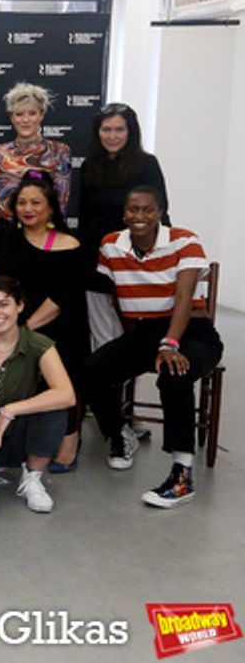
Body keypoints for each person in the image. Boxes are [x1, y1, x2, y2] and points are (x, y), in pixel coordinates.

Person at [81, 186, 222, 508]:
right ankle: (120, 434)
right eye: (133, 209)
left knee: (174, 374)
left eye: (148, 209)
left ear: (160, 212)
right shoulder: (111, 245)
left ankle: (182, 475)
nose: (140, 216)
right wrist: (132, 336)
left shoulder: (184, 241)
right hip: (146, 332)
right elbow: (115, 295)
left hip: (193, 332)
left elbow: (184, 298)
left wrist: (170, 344)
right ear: (124, 213)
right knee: (90, 370)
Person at [0, 173, 86, 471]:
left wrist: (22, 331)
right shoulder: (2, 237)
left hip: (52, 324)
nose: (28, 208)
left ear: (51, 207)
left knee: (63, 364)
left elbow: (60, 298)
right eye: (22, 202)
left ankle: (70, 438)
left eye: (36, 202)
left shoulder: (68, 243)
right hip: (3, 320)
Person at [0, 277, 75, 513]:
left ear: (19, 305)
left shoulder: (39, 344)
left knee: (55, 406)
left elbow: (67, 395)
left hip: (20, 434)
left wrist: (10, 410)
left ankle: (32, 477)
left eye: (3, 304)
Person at [78, 103, 170, 350]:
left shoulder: (147, 164)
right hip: (95, 257)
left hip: (134, 259)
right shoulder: (89, 167)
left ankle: (128, 372)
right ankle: (105, 373)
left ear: (131, 132)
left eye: (119, 129)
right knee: (100, 330)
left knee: (133, 330)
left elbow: (160, 211)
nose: (112, 136)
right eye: (106, 129)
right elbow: (84, 216)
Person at [0, 82, 71, 241]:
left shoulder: (59, 151)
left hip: (42, 233)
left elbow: (62, 199)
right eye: (19, 114)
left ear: (41, 114)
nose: (25, 120)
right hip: (4, 233)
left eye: (32, 113)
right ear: (11, 117)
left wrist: (50, 231)